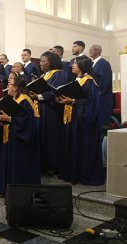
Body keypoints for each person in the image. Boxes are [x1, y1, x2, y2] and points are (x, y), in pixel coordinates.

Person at [57, 55, 103, 185]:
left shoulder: (89, 82)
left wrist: (73, 101)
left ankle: (81, 175)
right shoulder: (77, 80)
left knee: (81, 148)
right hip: (73, 119)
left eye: (75, 63)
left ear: (82, 66)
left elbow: (92, 104)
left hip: (83, 123)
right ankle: (71, 173)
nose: (72, 65)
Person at [0, 75, 41, 193]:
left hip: (22, 142)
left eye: (10, 84)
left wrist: (10, 119)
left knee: (20, 166)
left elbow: (27, 123)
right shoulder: (14, 100)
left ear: (16, 87)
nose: (8, 86)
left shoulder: (24, 100)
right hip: (13, 138)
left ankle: (20, 192)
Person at [28, 51, 68, 175]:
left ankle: (52, 165)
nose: (40, 64)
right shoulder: (45, 75)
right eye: (40, 61)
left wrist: (39, 96)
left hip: (52, 111)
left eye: (43, 61)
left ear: (51, 62)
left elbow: (57, 92)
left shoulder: (59, 74)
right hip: (42, 109)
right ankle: (43, 164)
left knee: (51, 137)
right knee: (42, 136)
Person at [89, 44, 113, 127]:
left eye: (92, 49)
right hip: (94, 97)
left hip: (102, 97)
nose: (89, 51)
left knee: (102, 124)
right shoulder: (92, 64)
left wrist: (97, 93)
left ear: (98, 51)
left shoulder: (104, 63)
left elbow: (106, 81)